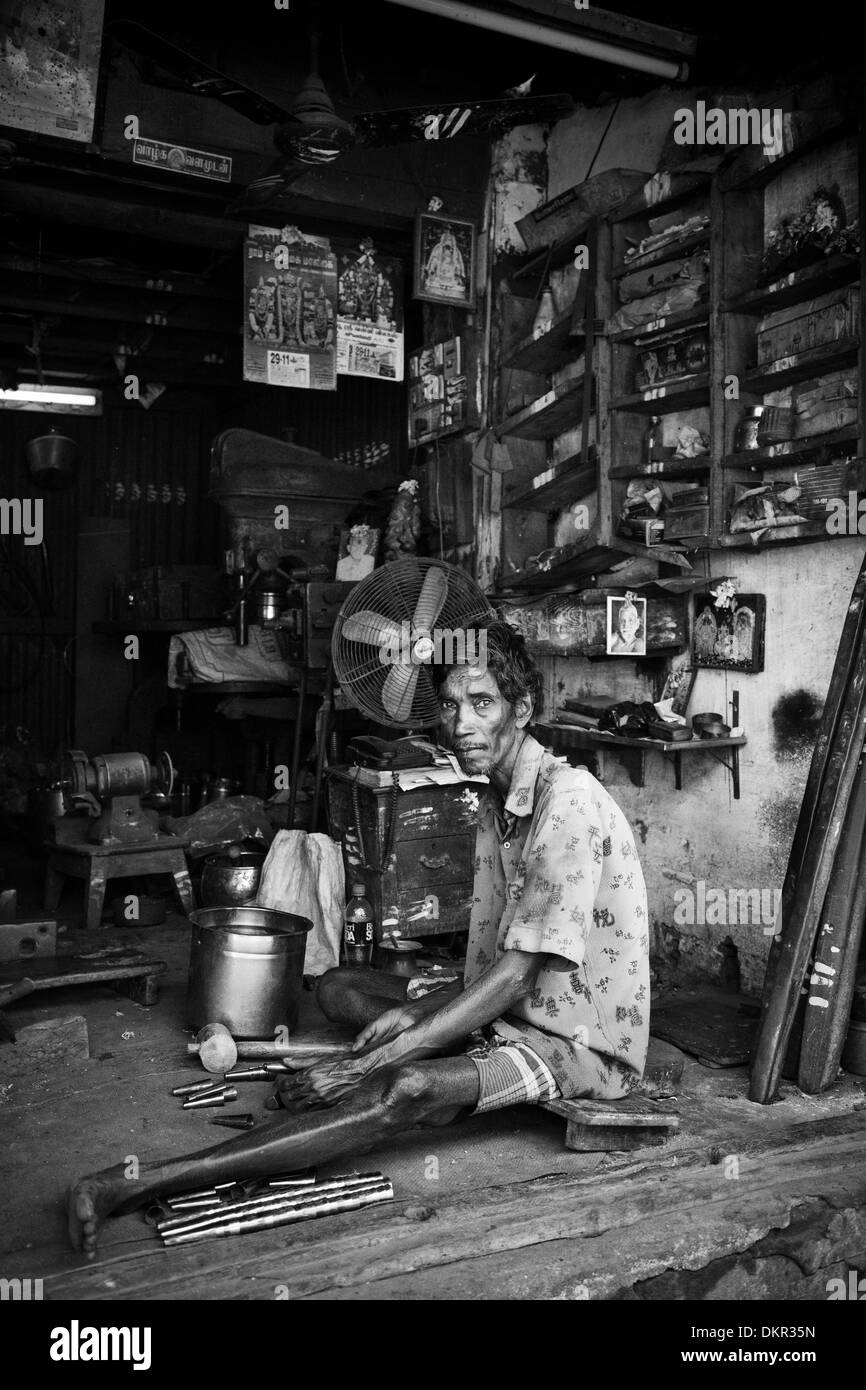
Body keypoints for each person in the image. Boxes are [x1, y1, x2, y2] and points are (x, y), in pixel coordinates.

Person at [67, 623, 649, 1255]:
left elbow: (516, 973)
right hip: (506, 1012)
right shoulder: (493, 803)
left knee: (407, 1089)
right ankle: (411, 1048)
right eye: (451, 705)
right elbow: (488, 968)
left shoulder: (567, 802)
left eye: (483, 704)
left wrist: (367, 1065)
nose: (461, 724)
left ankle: (140, 1183)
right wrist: (413, 1013)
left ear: (523, 710)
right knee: (341, 987)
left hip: (572, 1043)